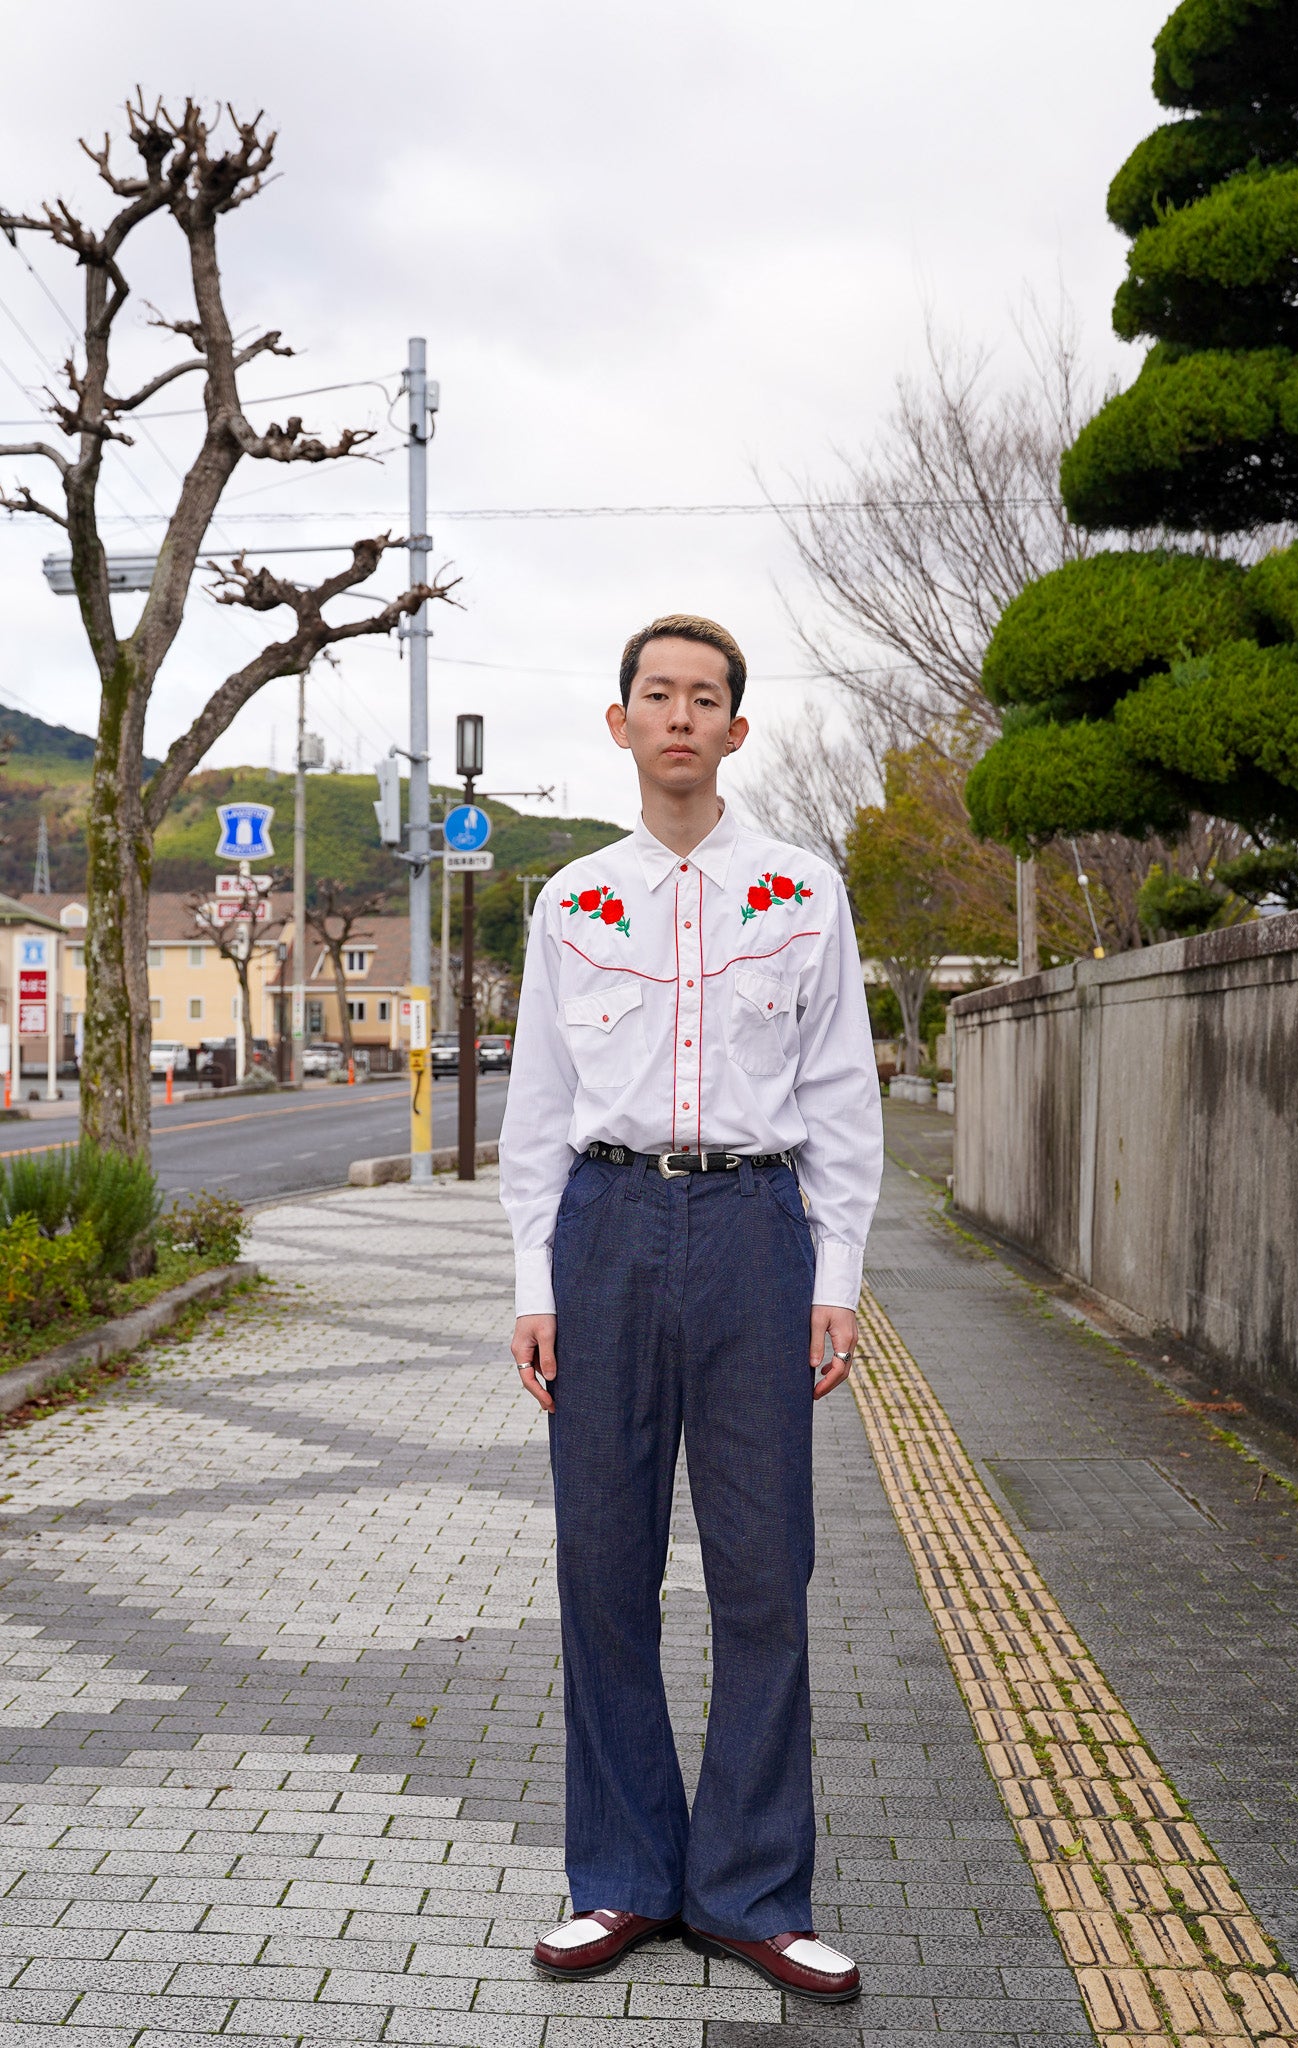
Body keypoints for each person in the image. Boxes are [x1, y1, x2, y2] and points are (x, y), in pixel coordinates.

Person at [498, 614, 883, 2004]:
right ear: (619, 723)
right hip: (602, 1228)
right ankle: (617, 1879)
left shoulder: (799, 889)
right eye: (654, 695)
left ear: (734, 728)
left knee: (762, 1574)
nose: (677, 715)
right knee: (603, 1569)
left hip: (752, 1230)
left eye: (703, 697)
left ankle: (751, 1891)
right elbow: (537, 1106)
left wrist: (833, 1274)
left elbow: (842, 1092)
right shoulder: (570, 902)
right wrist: (534, 1282)